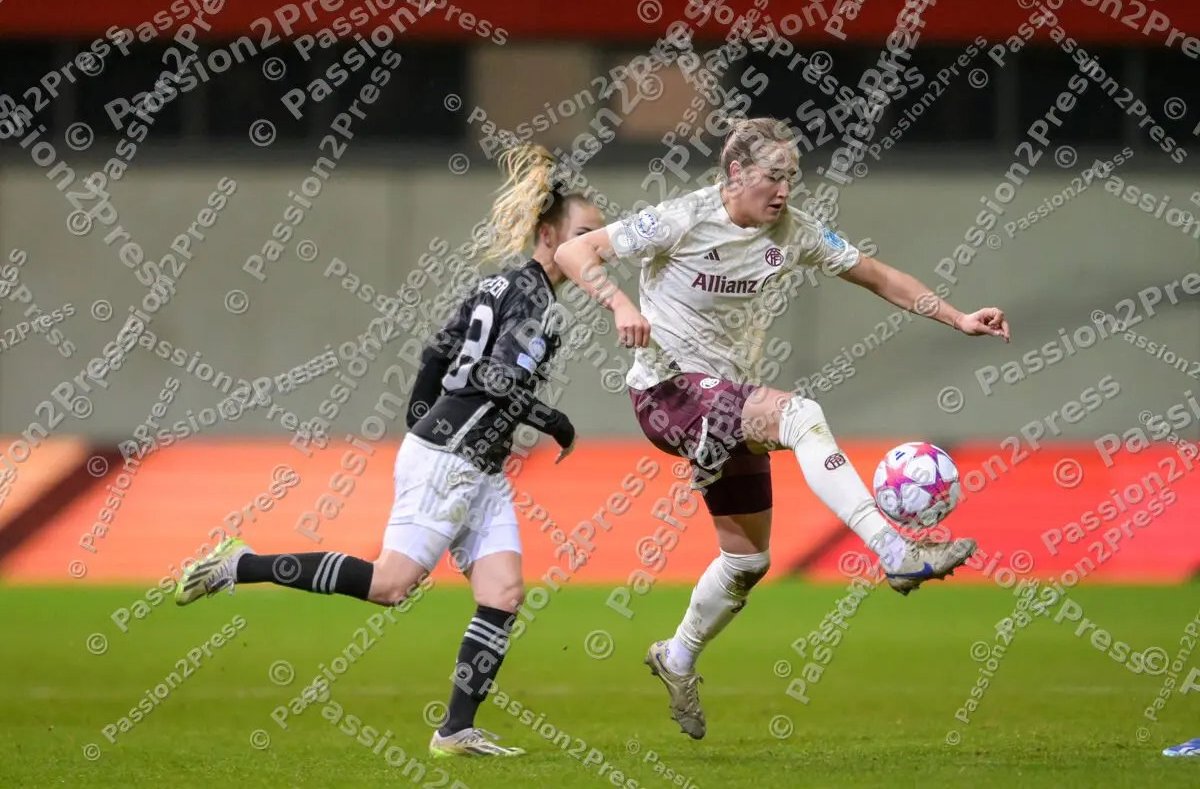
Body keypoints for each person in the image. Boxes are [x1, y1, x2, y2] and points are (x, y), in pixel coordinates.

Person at [552, 116, 1011, 740]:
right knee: (801, 415)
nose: (784, 190)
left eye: (792, 177)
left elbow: (877, 275)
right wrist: (621, 303)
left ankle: (677, 655)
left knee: (747, 561)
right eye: (773, 176)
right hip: (668, 392)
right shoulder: (681, 218)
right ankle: (894, 549)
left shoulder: (793, 232)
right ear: (735, 173)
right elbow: (573, 250)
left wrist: (957, 318)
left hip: (725, 401)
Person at [175, 143, 606, 757]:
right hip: (454, 458)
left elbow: (438, 352)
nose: (595, 247)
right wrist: (551, 419)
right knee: (389, 585)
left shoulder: (499, 283)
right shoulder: (534, 297)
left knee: (504, 592)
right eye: (585, 234)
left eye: (599, 236)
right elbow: (492, 379)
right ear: (547, 235)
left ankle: (455, 730)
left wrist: (419, 418)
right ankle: (239, 564)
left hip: (470, 461)